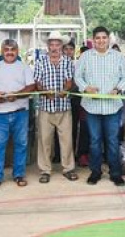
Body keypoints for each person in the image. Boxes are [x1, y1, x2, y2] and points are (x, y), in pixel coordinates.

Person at [74, 26, 125, 187]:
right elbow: (78, 77)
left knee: (113, 140)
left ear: (108, 39)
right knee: (94, 141)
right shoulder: (85, 56)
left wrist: (118, 89)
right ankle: (96, 171)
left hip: (112, 107)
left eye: (104, 37)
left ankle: (115, 173)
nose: (101, 41)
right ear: (93, 40)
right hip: (92, 107)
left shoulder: (118, 56)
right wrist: (86, 88)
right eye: (97, 38)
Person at [0, 40, 36, 191]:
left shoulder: (24, 67)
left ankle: (19, 174)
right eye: (6, 49)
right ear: (1, 50)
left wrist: (18, 95)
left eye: (13, 49)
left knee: (21, 144)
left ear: (18, 51)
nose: (10, 52)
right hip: (0, 113)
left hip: (20, 112)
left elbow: (31, 86)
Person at [34, 32, 77, 184]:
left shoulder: (67, 61)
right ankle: (45, 170)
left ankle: (68, 168)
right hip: (46, 108)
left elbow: (69, 81)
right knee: (44, 140)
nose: (54, 47)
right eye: (51, 44)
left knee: (66, 140)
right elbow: (37, 82)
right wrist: (44, 92)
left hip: (64, 107)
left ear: (61, 46)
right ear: (48, 46)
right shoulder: (40, 61)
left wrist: (66, 90)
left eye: (57, 45)